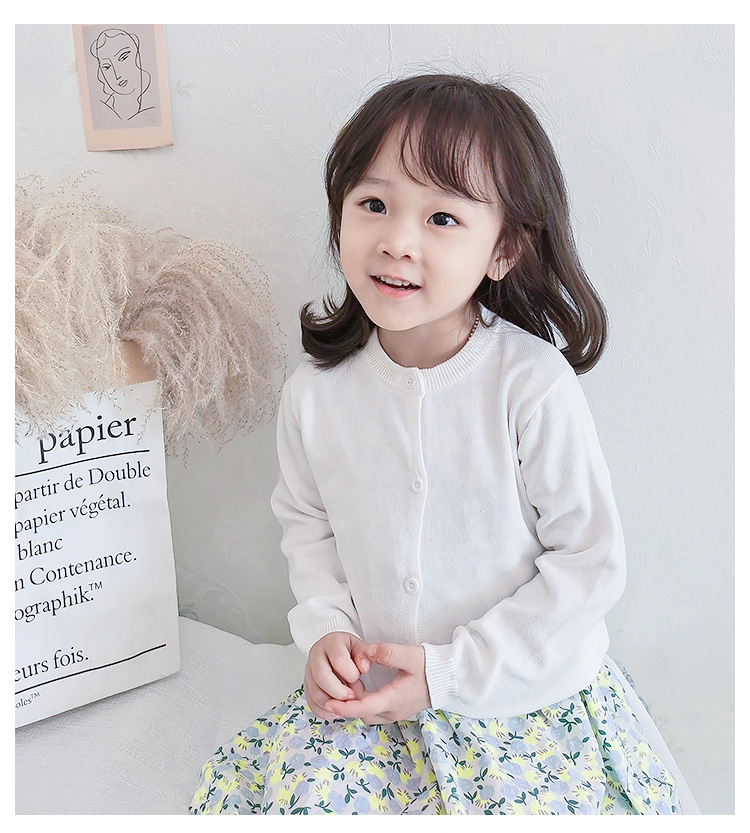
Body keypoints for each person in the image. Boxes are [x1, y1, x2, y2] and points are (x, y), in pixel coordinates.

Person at [189, 73, 698, 815]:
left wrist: (452, 672)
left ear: (503, 250)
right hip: (376, 701)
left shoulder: (531, 385)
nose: (397, 241)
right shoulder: (314, 395)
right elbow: (310, 530)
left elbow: (588, 563)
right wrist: (328, 631)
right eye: (373, 204)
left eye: (443, 217)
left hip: (522, 700)